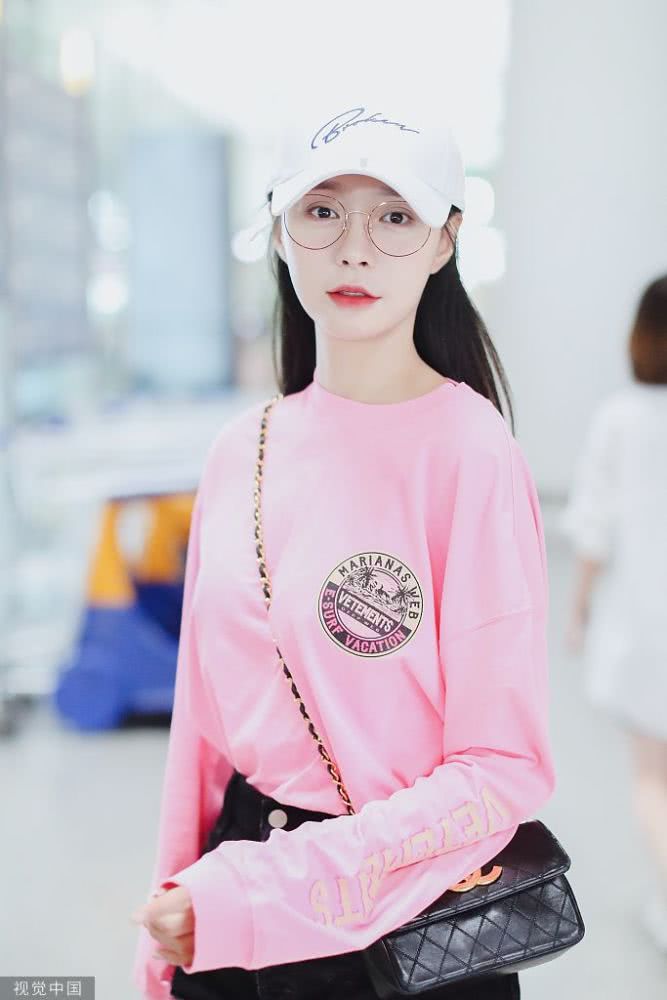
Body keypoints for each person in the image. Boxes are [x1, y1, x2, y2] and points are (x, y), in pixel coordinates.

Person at [130, 99, 556, 1000]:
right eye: (322, 210)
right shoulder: (240, 449)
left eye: (394, 216)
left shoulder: (469, 452)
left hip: (409, 915)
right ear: (280, 229)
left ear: (444, 241)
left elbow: (499, 769)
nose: (354, 249)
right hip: (231, 896)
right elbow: (200, 734)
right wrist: (167, 939)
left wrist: (264, 892)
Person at [561, 274, 667, 955]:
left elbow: (592, 530)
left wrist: (577, 609)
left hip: (646, 629)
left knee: (652, 778)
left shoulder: (622, 418)